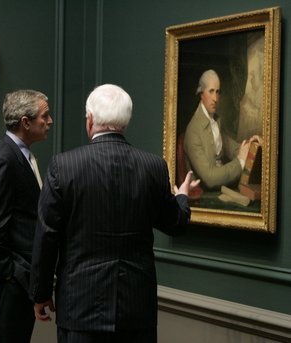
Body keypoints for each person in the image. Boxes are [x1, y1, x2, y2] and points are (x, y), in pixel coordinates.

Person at [29, 84, 200, 343]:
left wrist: (40, 292)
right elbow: (175, 223)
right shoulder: (153, 166)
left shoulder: (63, 166)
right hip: (135, 308)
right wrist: (183, 196)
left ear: (90, 121)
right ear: (125, 122)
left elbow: (47, 235)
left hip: (80, 306)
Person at [0, 89, 53, 343]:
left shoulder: (22, 154)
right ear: (25, 122)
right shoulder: (2, 159)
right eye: (45, 116)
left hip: (22, 276)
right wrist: (11, 274)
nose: (50, 121)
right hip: (11, 279)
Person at [184, 69, 260, 190]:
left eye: (218, 92)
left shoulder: (216, 121)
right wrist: (240, 162)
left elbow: (232, 148)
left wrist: (250, 145)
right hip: (207, 195)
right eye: (211, 91)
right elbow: (209, 179)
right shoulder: (193, 131)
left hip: (225, 186)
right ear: (201, 94)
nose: (215, 98)